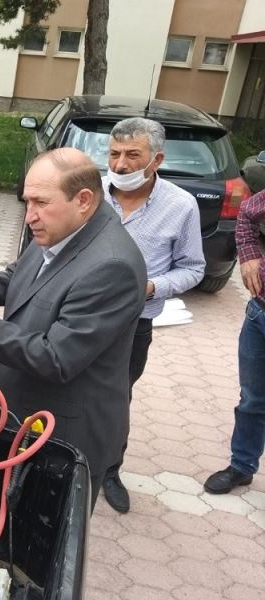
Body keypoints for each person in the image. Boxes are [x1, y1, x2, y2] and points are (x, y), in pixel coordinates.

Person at [0, 148, 146, 511]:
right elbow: (18, 280)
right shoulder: (62, 228)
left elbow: (57, 357)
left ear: (83, 200)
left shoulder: (111, 266)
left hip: (64, 435)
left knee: (34, 526)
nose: (29, 216)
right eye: (27, 201)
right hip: (22, 411)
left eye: (40, 202)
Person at [100, 117, 205, 513]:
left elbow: (193, 268)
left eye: (133, 155)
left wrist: (152, 287)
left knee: (116, 397)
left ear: (156, 159)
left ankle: (109, 469)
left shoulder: (180, 206)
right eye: (114, 154)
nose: (120, 165)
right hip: (76, 312)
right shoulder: (89, 193)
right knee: (63, 384)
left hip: (133, 324)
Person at [204, 190, 265, 495]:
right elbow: (248, 212)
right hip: (260, 314)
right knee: (252, 399)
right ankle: (242, 466)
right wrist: (249, 255)